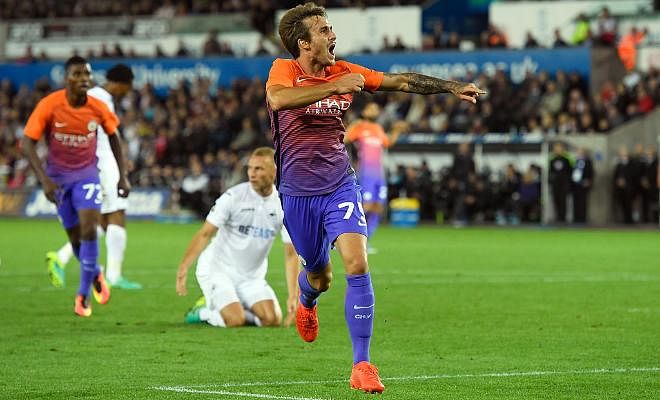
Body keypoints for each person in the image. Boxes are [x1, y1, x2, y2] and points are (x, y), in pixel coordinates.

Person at [266, 2, 485, 393]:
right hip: (297, 193)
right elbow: (279, 100)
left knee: (356, 262)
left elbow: (401, 81)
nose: (332, 35)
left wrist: (452, 88)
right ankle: (307, 298)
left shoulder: (347, 70)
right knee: (321, 274)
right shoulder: (285, 71)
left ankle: (362, 364)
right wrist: (334, 87)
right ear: (303, 43)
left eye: (331, 28)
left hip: (338, 184)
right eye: (324, 30)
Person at [23, 56, 130, 317]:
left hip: (87, 175)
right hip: (58, 179)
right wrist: (44, 180)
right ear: (67, 78)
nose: (84, 79)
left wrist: (122, 176)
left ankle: (83, 296)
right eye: (77, 74)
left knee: (89, 227)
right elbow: (27, 144)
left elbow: (114, 137)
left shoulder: (97, 107)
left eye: (87, 74)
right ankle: (95, 273)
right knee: (74, 237)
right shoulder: (50, 105)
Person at [175, 147, 299, 328]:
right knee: (235, 320)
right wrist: (183, 267)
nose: (252, 173)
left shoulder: (284, 205)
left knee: (272, 320)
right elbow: (205, 233)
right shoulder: (234, 197)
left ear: (275, 171)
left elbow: (291, 254)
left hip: (251, 278)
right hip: (218, 271)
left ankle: (231, 306)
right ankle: (202, 311)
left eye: (259, 169)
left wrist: (293, 296)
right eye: (250, 168)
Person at [46, 64, 142, 290]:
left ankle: (61, 257)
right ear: (121, 84)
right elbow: (111, 134)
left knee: (101, 220)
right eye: (128, 87)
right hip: (103, 164)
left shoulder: (89, 96)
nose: (128, 91)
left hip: (90, 164)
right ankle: (114, 276)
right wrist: (121, 170)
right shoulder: (102, 99)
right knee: (117, 215)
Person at [345, 102, 408, 252]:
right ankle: (348, 239)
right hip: (366, 174)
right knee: (364, 207)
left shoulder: (378, 129)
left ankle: (366, 242)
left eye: (376, 108)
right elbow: (344, 139)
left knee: (378, 208)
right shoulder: (359, 127)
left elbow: (388, 143)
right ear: (364, 111)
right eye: (371, 108)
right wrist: (353, 124)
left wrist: (396, 130)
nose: (374, 110)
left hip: (379, 175)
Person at [549, 142, 572, 223]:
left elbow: (570, 173)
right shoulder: (552, 160)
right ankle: (557, 217)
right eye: (556, 148)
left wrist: (568, 184)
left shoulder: (566, 160)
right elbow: (550, 173)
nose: (557, 150)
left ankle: (563, 218)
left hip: (564, 185)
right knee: (556, 201)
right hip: (555, 185)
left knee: (563, 202)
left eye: (559, 148)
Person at [571, 147, 594, 224]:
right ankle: (576, 218)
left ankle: (582, 218)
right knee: (575, 202)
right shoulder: (574, 160)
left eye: (581, 151)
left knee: (583, 202)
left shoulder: (588, 161)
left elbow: (591, 172)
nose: (579, 153)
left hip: (584, 184)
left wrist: (588, 181)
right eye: (578, 151)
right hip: (575, 185)